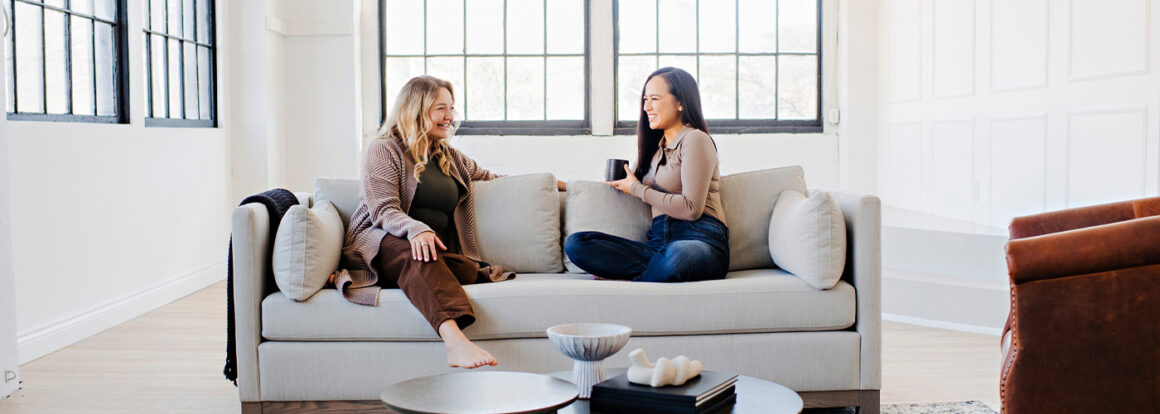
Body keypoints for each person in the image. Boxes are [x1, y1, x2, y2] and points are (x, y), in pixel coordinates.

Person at [338, 76, 562, 369]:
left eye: (452, 108)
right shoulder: (385, 148)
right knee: (416, 252)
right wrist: (416, 229)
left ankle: (421, 279)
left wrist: (555, 183)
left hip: (430, 252)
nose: (450, 116)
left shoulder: (449, 157)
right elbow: (383, 209)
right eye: (440, 108)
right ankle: (454, 341)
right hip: (380, 243)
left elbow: (493, 178)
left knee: (469, 270)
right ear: (416, 109)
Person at [564, 67, 729, 283]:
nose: (646, 107)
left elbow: (691, 209)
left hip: (700, 241)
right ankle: (654, 273)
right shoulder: (655, 151)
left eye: (654, 99)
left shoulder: (695, 139)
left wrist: (637, 189)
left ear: (680, 103)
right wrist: (564, 185)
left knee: (677, 255)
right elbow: (628, 185)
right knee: (577, 244)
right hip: (658, 246)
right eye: (645, 99)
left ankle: (634, 277)